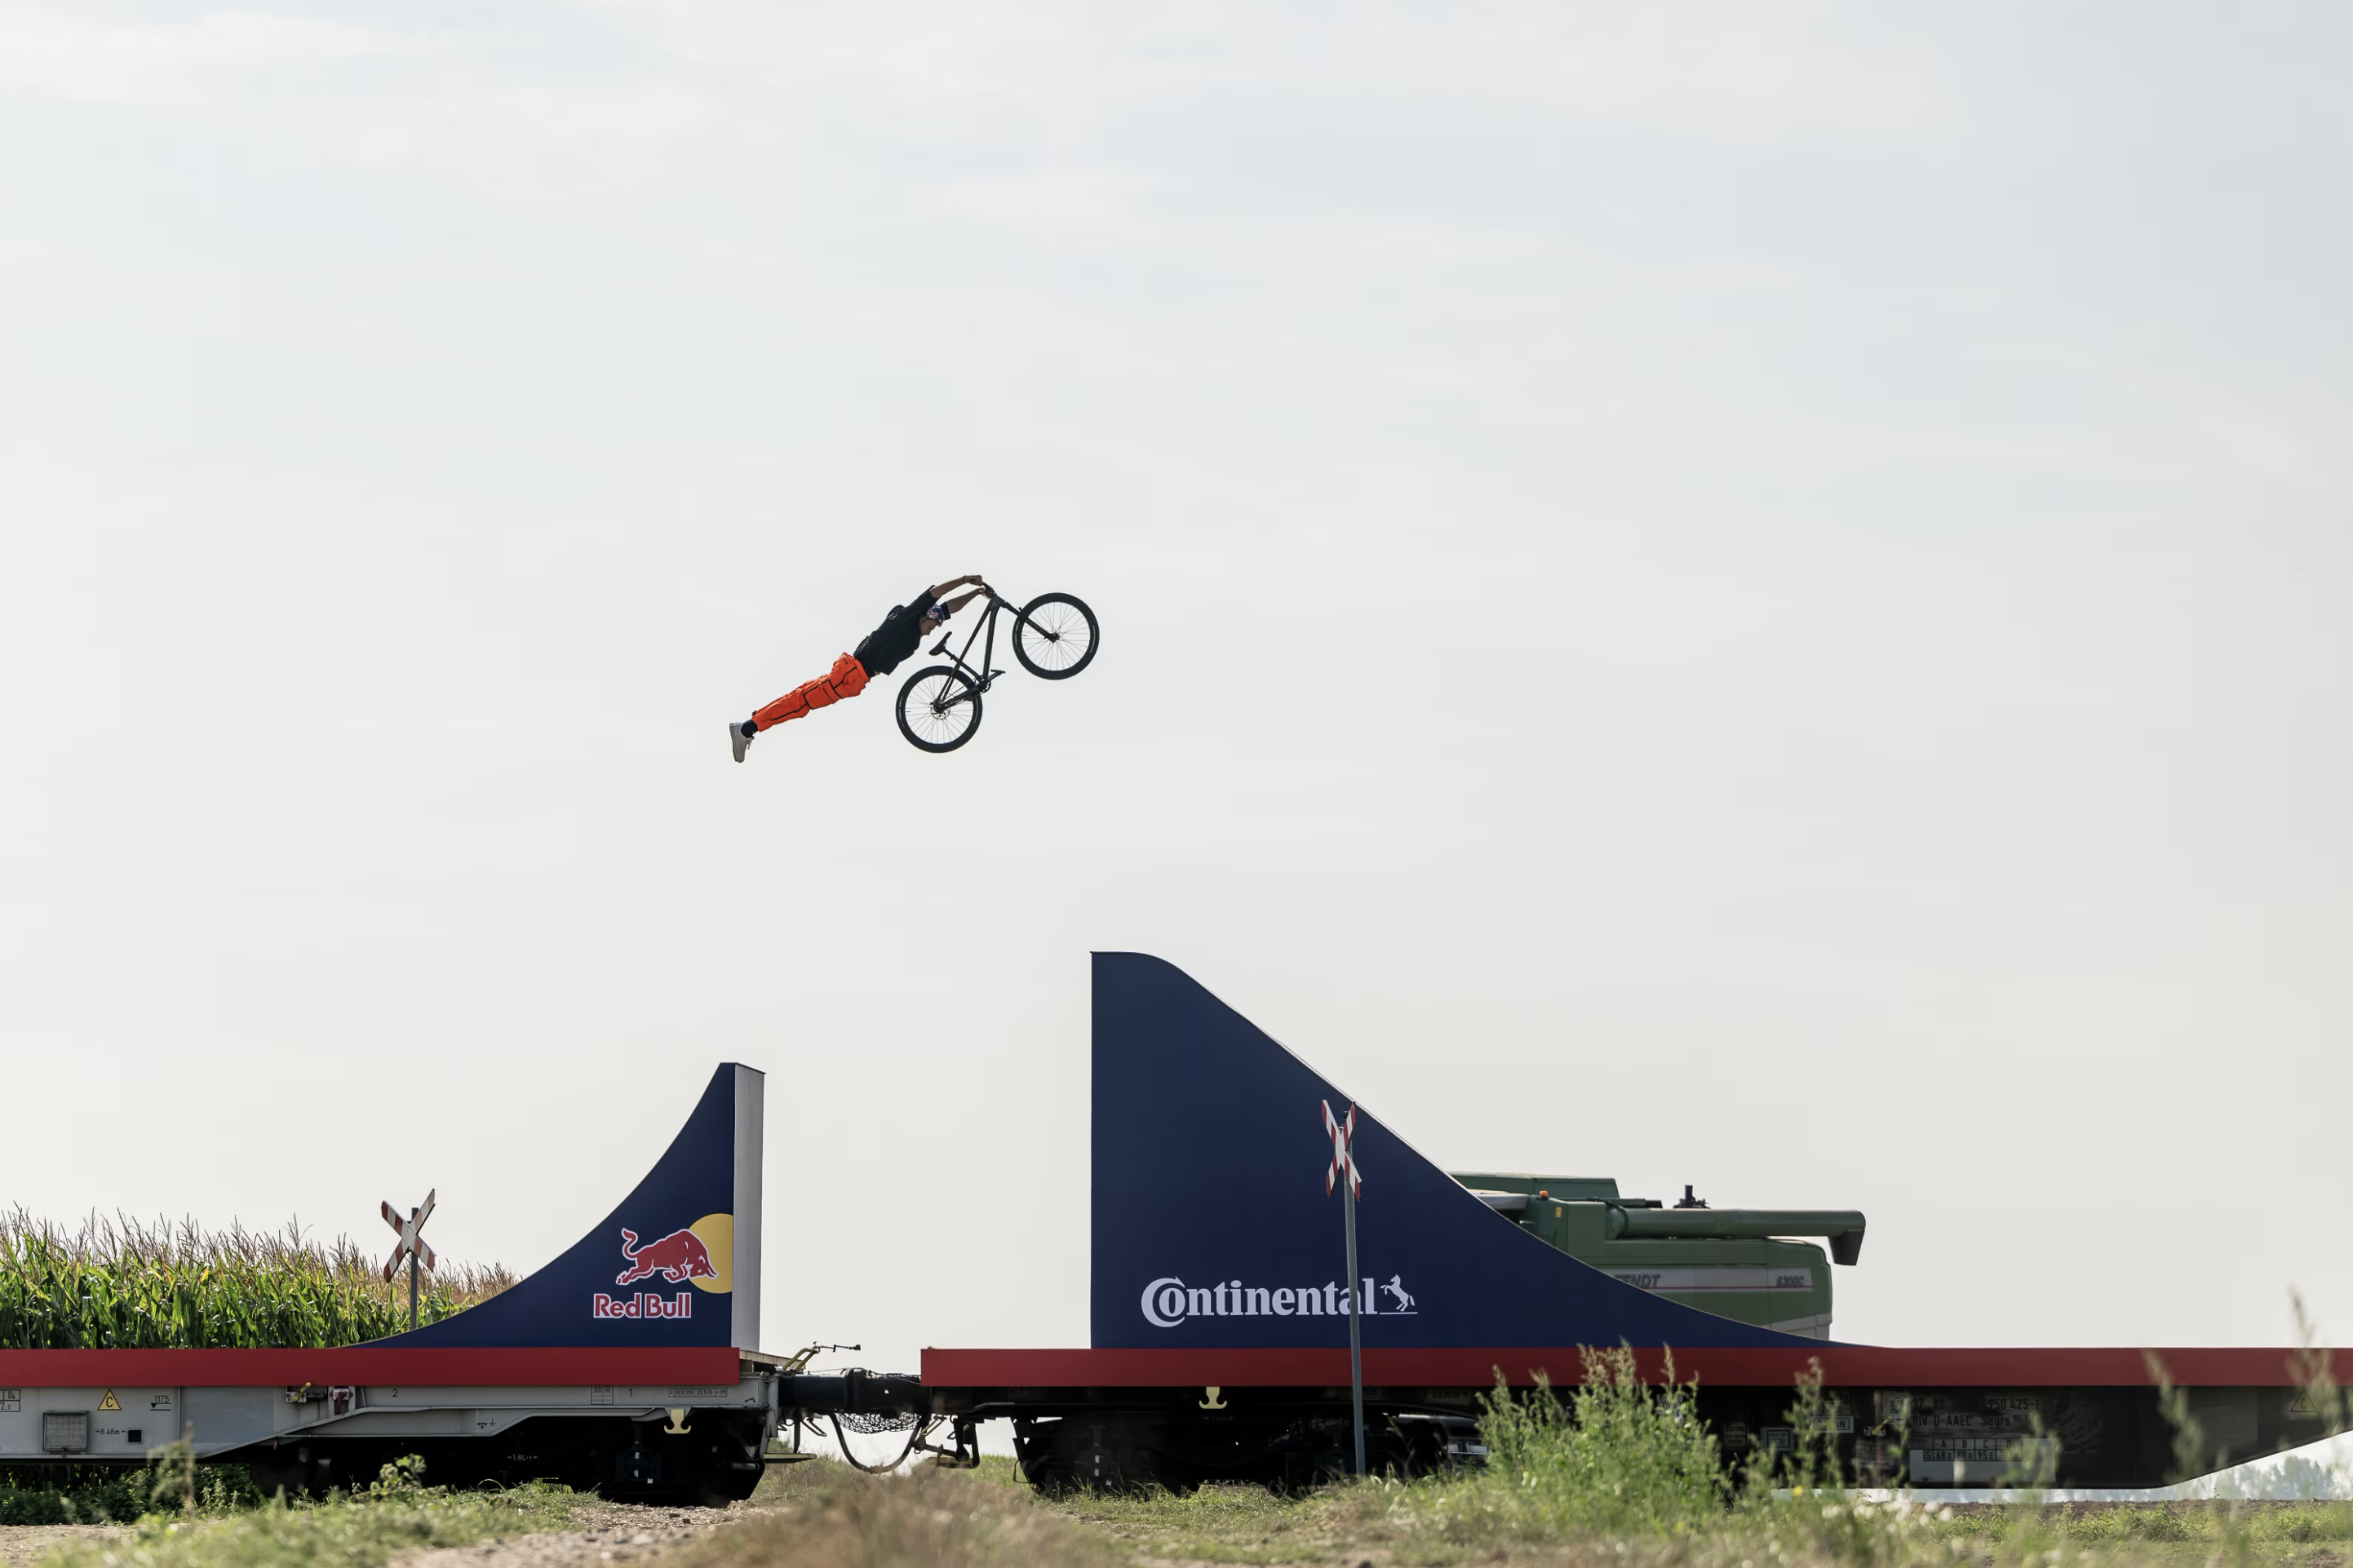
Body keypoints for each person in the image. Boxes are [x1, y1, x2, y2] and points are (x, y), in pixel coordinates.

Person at [731, 575, 990, 761]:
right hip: (849, 675)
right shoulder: (907, 620)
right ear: (925, 616)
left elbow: (947, 608)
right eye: (932, 626)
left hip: (852, 677)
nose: (931, 632)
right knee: (799, 703)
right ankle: (748, 728)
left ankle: (749, 725)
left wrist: (977, 594)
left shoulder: (917, 625)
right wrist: (966, 579)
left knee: (799, 700)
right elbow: (935, 594)